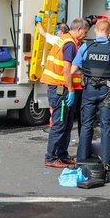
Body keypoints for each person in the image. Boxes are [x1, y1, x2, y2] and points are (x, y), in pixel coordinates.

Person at [72, 18, 110, 172]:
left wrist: (87, 73)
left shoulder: (85, 46)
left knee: (86, 125)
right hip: (107, 93)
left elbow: (73, 70)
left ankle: (82, 159)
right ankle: (106, 163)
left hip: (89, 91)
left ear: (95, 30)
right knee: (106, 127)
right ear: (109, 32)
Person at [41, 17, 88, 169]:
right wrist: (72, 90)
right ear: (79, 29)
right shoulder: (69, 44)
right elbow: (67, 70)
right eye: (85, 32)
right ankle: (52, 157)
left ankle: (62, 154)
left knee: (66, 125)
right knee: (60, 125)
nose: (85, 35)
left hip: (59, 88)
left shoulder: (64, 40)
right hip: (61, 89)